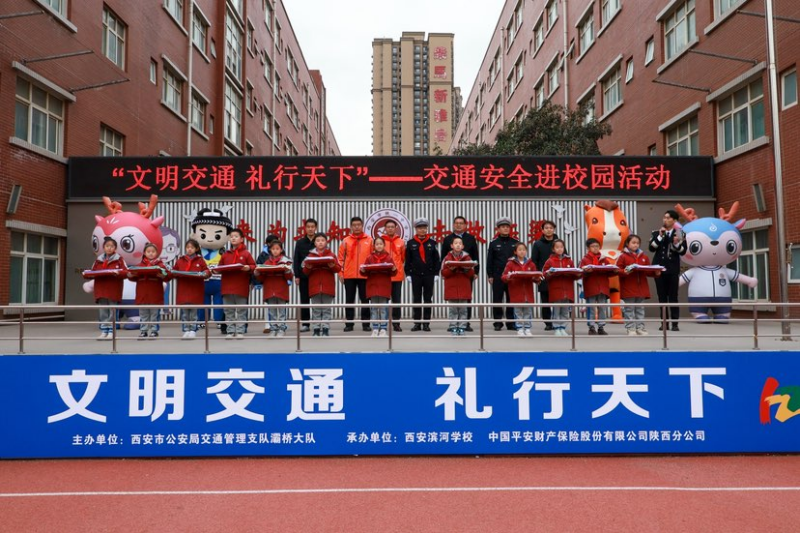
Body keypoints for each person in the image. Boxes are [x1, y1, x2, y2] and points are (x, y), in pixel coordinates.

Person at [649, 209, 686, 331]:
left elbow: (683, 251)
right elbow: (652, 248)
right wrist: (660, 236)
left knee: (673, 297)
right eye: (664, 217)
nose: (665, 219)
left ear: (674, 220)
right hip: (659, 269)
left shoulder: (679, 233)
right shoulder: (656, 233)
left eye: (668, 218)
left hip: (673, 269)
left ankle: (675, 323)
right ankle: (664, 323)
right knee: (662, 297)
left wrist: (676, 244)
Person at [441, 216, 480, 332]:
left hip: (466, 275)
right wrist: (446, 271)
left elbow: (475, 256)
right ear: (453, 225)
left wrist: (475, 271)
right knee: (453, 305)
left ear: (465, 225)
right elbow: (443, 257)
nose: (459, 225)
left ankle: (465, 323)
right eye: (456, 223)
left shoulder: (470, 238)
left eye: (461, 223)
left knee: (466, 300)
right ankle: (453, 325)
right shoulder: (447, 239)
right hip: (451, 276)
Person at [86, 236, 127, 341]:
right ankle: (104, 331)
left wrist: (118, 273)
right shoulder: (98, 260)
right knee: (103, 312)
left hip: (113, 290)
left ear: (115, 248)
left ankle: (111, 332)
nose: (109, 248)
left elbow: (126, 272)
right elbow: (92, 272)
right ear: (103, 247)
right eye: (107, 246)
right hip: (101, 290)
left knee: (112, 311)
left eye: (112, 246)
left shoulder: (119, 260)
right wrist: (87, 274)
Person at [619, 234, 660, 336]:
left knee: (640, 309)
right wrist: (624, 272)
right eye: (633, 243)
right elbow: (617, 270)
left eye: (637, 243)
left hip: (641, 288)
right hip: (628, 288)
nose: (636, 245)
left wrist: (656, 273)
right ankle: (630, 328)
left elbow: (648, 271)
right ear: (627, 244)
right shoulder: (623, 256)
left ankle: (640, 328)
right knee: (629, 309)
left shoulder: (644, 257)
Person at [338, 217, 373, 332]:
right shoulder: (345, 241)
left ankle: (366, 324)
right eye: (354, 225)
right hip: (349, 275)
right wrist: (340, 273)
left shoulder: (370, 240)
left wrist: (371, 273)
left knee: (365, 300)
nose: (357, 227)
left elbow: (373, 258)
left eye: (359, 224)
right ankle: (349, 324)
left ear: (362, 226)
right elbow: (340, 259)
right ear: (351, 226)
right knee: (349, 300)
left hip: (365, 275)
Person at [218, 228, 255, 339]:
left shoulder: (246, 254)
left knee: (241, 310)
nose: (233, 238)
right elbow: (219, 267)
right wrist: (216, 270)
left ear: (242, 239)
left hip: (241, 287)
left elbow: (254, 266)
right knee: (228, 311)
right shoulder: (225, 254)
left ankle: (240, 331)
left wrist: (248, 267)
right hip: (227, 287)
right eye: (231, 236)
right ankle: (230, 331)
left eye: (236, 236)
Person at [405, 218, 441, 332]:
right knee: (416, 299)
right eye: (420, 228)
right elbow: (408, 260)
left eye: (424, 228)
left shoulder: (432, 243)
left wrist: (436, 273)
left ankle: (426, 323)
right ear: (416, 229)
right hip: (415, 275)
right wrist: (408, 274)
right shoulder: (410, 243)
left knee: (427, 299)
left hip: (429, 275)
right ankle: (417, 323)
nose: (422, 230)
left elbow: (436, 260)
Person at [303, 233, 341, 337]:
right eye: (318, 240)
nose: (320, 242)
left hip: (328, 287)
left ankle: (325, 328)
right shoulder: (310, 256)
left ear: (326, 242)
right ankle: (316, 329)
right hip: (314, 287)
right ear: (315, 243)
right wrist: (308, 267)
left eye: (322, 240)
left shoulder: (331, 255)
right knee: (316, 309)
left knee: (326, 309)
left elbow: (338, 269)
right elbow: (305, 272)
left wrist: (332, 266)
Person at [171, 238, 210, 340]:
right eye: (187, 247)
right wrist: (173, 273)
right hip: (183, 290)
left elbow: (207, 271)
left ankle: (193, 330)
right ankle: (186, 330)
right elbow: (173, 271)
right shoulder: (180, 260)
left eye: (192, 247)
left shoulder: (200, 260)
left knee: (193, 313)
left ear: (196, 249)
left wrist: (205, 273)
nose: (189, 249)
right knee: (184, 313)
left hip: (195, 290)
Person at [128, 242, 168, 340]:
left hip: (155, 295)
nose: (151, 253)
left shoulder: (161, 265)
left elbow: (167, 275)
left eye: (153, 251)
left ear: (157, 253)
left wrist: (163, 275)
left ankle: (154, 331)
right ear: (144, 253)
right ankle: (143, 331)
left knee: (154, 314)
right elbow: (132, 277)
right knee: (143, 314)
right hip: (142, 295)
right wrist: (130, 275)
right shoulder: (139, 265)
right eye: (148, 251)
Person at [255, 239, 293, 337]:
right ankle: (273, 329)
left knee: (282, 311)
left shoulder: (286, 261)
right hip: (269, 290)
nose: (275, 251)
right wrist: (257, 273)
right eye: (273, 249)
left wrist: (287, 271)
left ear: (281, 250)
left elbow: (289, 277)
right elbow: (262, 278)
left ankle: (282, 329)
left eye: (277, 249)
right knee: (272, 311)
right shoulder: (266, 262)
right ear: (270, 250)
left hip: (281, 290)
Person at [360, 236, 396, 337]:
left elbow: (393, 272)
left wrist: (394, 269)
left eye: (381, 244)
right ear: (374, 246)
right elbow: (364, 272)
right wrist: (362, 270)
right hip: (372, 286)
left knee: (384, 309)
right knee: (374, 309)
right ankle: (375, 328)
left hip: (384, 286)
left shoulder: (388, 258)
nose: (379, 246)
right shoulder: (369, 258)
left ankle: (383, 329)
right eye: (377, 244)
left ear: (384, 245)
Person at [487, 217, 519, 331]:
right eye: (503, 227)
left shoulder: (515, 242)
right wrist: (490, 275)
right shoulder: (493, 243)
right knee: (497, 299)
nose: (505, 229)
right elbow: (489, 260)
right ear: (498, 229)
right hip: (498, 275)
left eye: (507, 227)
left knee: (511, 299)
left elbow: (519, 259)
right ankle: (497, 322)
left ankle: (511, 323)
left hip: (512, 276)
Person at [501, 243, 539, 337]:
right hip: (516, 292)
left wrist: (537, 278)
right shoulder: (510, 263)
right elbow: (504, 276)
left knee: (528, 311)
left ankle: (527, 328)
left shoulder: (531, 263)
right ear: (515, 252)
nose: (522, 251)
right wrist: (509, 277)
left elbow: (536, 276)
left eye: (524, 250)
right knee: (517, 312)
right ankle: (519, 328)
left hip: (528, 293)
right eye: (520, 250)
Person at [531, 220, 563, 331]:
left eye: (551, 228)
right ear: (542, 230)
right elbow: (534, 261)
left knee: (558, 300)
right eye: (546, 228)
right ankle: (548, 323)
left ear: (554, 229)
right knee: (545, 301)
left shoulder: (559, 243)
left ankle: (558, 322)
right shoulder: (538, 244)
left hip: (558, 277)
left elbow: (565, 257)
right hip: (544, 277)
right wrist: (537, 275)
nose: (549, 230)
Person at [543, 239, 578, 337]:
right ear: (553, 249)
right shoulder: (550, 261)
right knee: (556, 310)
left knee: (565, 311)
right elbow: (544, 274)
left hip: (567, 290)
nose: (560, 249)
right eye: (557, 247)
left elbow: (574, 273)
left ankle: (563, 327)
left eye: (561, 247)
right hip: (556, 290)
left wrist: (577, 273)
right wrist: (549, 273)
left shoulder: (569, 260)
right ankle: (556, 328)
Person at [579, 237, 613, 336]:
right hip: (591, 287)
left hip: (603, 287)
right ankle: (591, 327)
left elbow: (610, 271)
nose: (595, 248)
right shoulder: (585, 259)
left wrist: (613, 270)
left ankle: (601, 327)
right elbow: (580, 273)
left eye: (597, 246)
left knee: (602, 307)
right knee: (591, 308)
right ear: (588, 248)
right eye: (593, 246)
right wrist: (586, 272)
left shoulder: (604, 259)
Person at [292, 218, 318, 332]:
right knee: (304, 300)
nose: (310, 229)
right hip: (303, 276)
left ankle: (318, 323)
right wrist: (297, 276)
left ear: (315, 228)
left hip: (316, 276)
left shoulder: (319, 240)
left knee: (317, 300)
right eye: (308, 227)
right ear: (305, 228)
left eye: (312, 227)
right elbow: (296, 260)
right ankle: (306, 324)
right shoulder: (300, 242)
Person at [381, 220, 406, 332]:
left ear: (396, 228)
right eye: (388, 227)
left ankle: (396, 323)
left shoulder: (401, 242)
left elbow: (403, 258)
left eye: (392, 227)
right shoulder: (381, 241)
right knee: (384, 300)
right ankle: (384, 323)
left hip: (397, 275)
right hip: (384, 275)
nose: (390, 228)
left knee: (396, 300)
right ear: (385, 228)